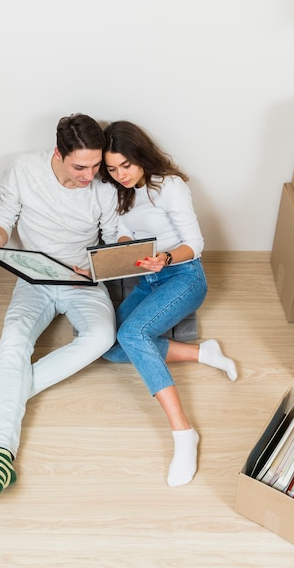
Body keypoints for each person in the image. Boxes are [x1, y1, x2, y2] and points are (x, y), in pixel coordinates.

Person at [0, 113, 119, 502]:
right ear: (58, 153)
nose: (89, 175)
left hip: (80, 279)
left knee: (103, 335)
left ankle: (0, 395)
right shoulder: (24, 169)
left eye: (95, 165)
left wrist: (93, 265)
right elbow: (5, 217)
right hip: (35, 276)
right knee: (12, 342)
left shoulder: (103, 188)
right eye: (80, 166)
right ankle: (0, 454)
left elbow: (112, 241)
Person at [100, 120, 238, 488]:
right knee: (112, 348)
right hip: (146, 276)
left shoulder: (169, 187)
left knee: (132, 333)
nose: (120, 175)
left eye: (126, 165)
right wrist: (125, 246)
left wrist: (165, 258)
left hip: (183, 275)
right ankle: (201, 353)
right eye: (112, 169)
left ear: (140, 155)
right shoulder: (116, 191)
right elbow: (120, 232)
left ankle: (183, 432)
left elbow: (195, 242)